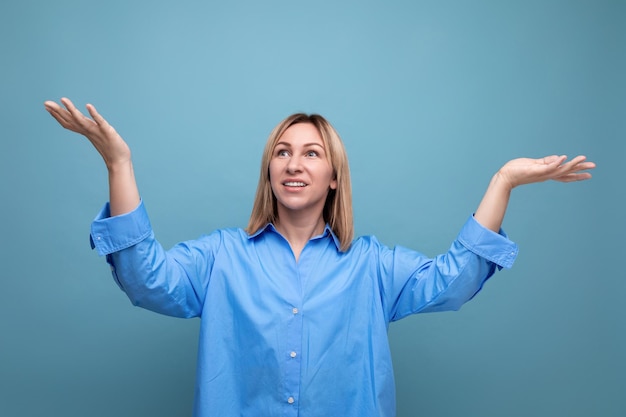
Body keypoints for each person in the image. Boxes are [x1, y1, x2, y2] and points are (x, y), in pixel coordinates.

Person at [44, 97, 595, 417]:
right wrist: (119, 164)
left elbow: (452, 282)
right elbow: (145, 281)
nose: (294, 163)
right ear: (269, 171)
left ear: (333, 178)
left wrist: (504, 180)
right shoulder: (220, 258)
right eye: (282, 152)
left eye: (311, 153)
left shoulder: (373, 266)